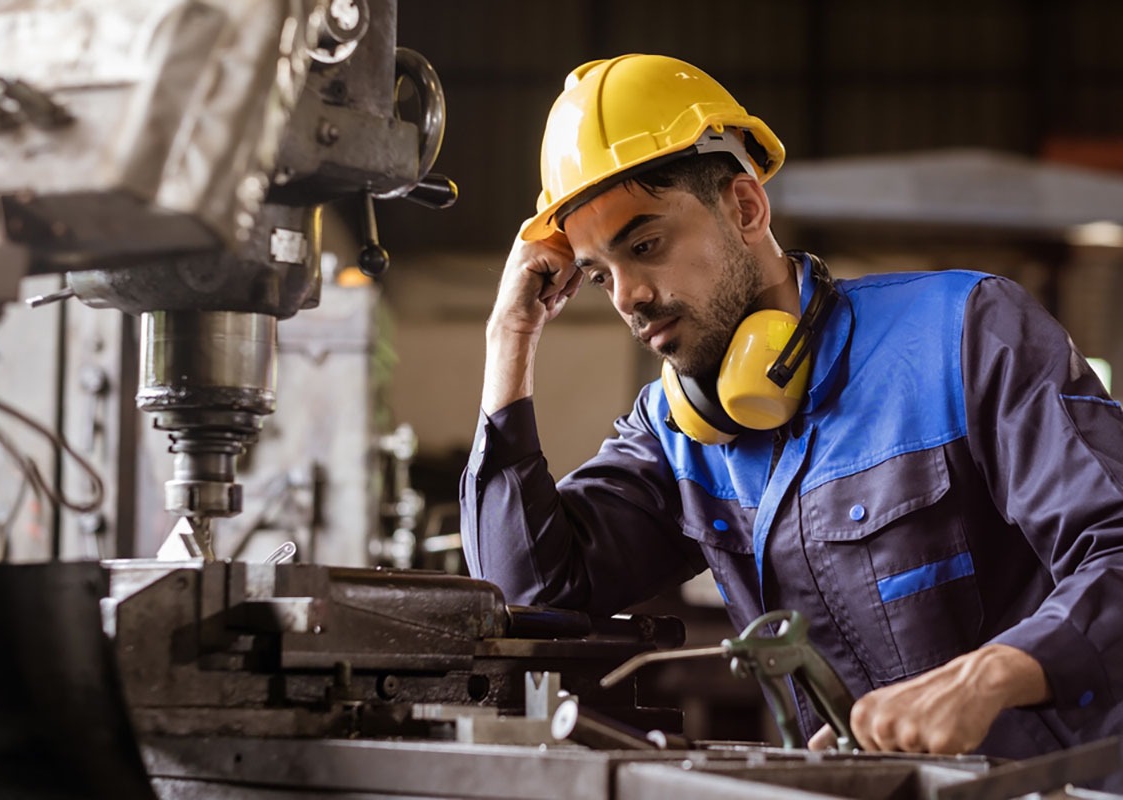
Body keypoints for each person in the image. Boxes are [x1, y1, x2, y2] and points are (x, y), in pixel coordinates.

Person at [459, 53, 1123, 765]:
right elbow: (528, 595)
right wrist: (510, 339)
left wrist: (994, 675)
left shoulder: (963, 336)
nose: (626, 297)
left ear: (746, 207)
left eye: (645, 246)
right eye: (597, 275)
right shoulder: (675, 436)